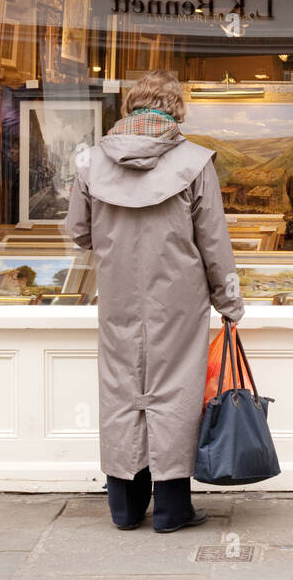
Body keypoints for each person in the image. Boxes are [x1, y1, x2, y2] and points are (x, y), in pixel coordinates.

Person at [65, 70, 245, 533]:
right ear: (176, 109)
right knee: (175, 393)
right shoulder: (194, 161)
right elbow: (213, 242)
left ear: (130, 105)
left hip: (118, 294)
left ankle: (124, 507)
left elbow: (78, 232)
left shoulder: (90, 161)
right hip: (179, 298)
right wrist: (230, 302)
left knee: (121, 389)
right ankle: (170, 508)